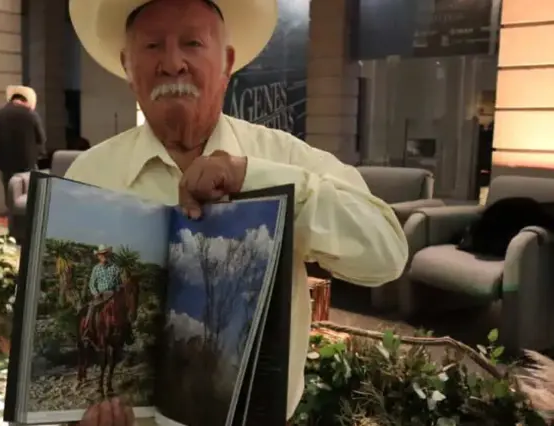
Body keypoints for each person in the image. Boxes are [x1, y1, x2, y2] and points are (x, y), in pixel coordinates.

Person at [67, 0, 409, 425]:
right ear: (127, 65)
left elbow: (388, 255)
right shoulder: (87, 176)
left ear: (227, 61)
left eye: (192, 42)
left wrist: (256, 178)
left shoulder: (284, 158)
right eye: (153, 45)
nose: (173, 63)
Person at [0, 85, 46, 207]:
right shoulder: (31, 115)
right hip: (27, 165)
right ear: (26, 101)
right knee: (30, 198)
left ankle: (13, 222)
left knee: (11, 197)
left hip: (4, 165)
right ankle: (28, 223)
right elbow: (41, 139)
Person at [84, 245, 123, 336]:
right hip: (100, 295)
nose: (103, 256)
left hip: (113, 294)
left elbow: (119, 282)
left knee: (123, 308)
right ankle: (87, 327)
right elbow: (92, 284)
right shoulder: (96, 269)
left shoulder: (114, 267)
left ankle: (127, 331)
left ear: (108, 255)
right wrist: (95, 293)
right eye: (101, 255)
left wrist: (117, 289)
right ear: (98, 256)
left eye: (105, 254)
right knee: (92, 307)